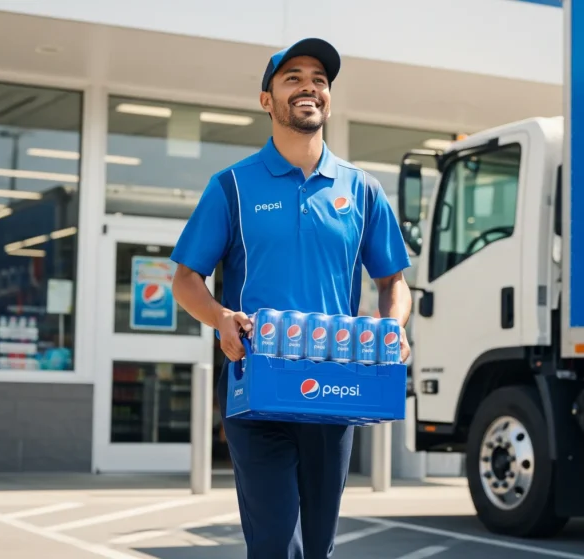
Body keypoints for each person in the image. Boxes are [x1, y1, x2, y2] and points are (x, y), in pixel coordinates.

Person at [170, 37, 413, 559]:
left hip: (337, 386)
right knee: (276, 541)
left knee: (319, 544)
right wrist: (220, 318)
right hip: (256, 385)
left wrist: (394, 329)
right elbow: (186, 278)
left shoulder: (362, 189)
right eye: (293, 78)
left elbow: (394, 282)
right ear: (267, 100)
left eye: (320, 80)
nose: (310, 87)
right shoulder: (232, 186)